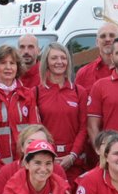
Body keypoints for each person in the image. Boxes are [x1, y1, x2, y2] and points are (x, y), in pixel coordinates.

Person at [0, 44, 39, 180]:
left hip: (25, 165)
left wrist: (27, 160)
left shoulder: (28, 95)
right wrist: (0, 165)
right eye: (3, 63)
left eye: (12, 63)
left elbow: (35, 132)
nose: (8, 67)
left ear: (17, 67)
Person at [32, 42, 88, 172]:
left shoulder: (79, 91)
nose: (59, 62)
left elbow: (84, 127)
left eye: (63, 58)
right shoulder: (35, 92)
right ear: (46, 62)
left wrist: (73, 155)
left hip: (75, 160)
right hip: (47, 160)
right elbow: (35, 129)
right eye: (54, 58)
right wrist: (49, 153)